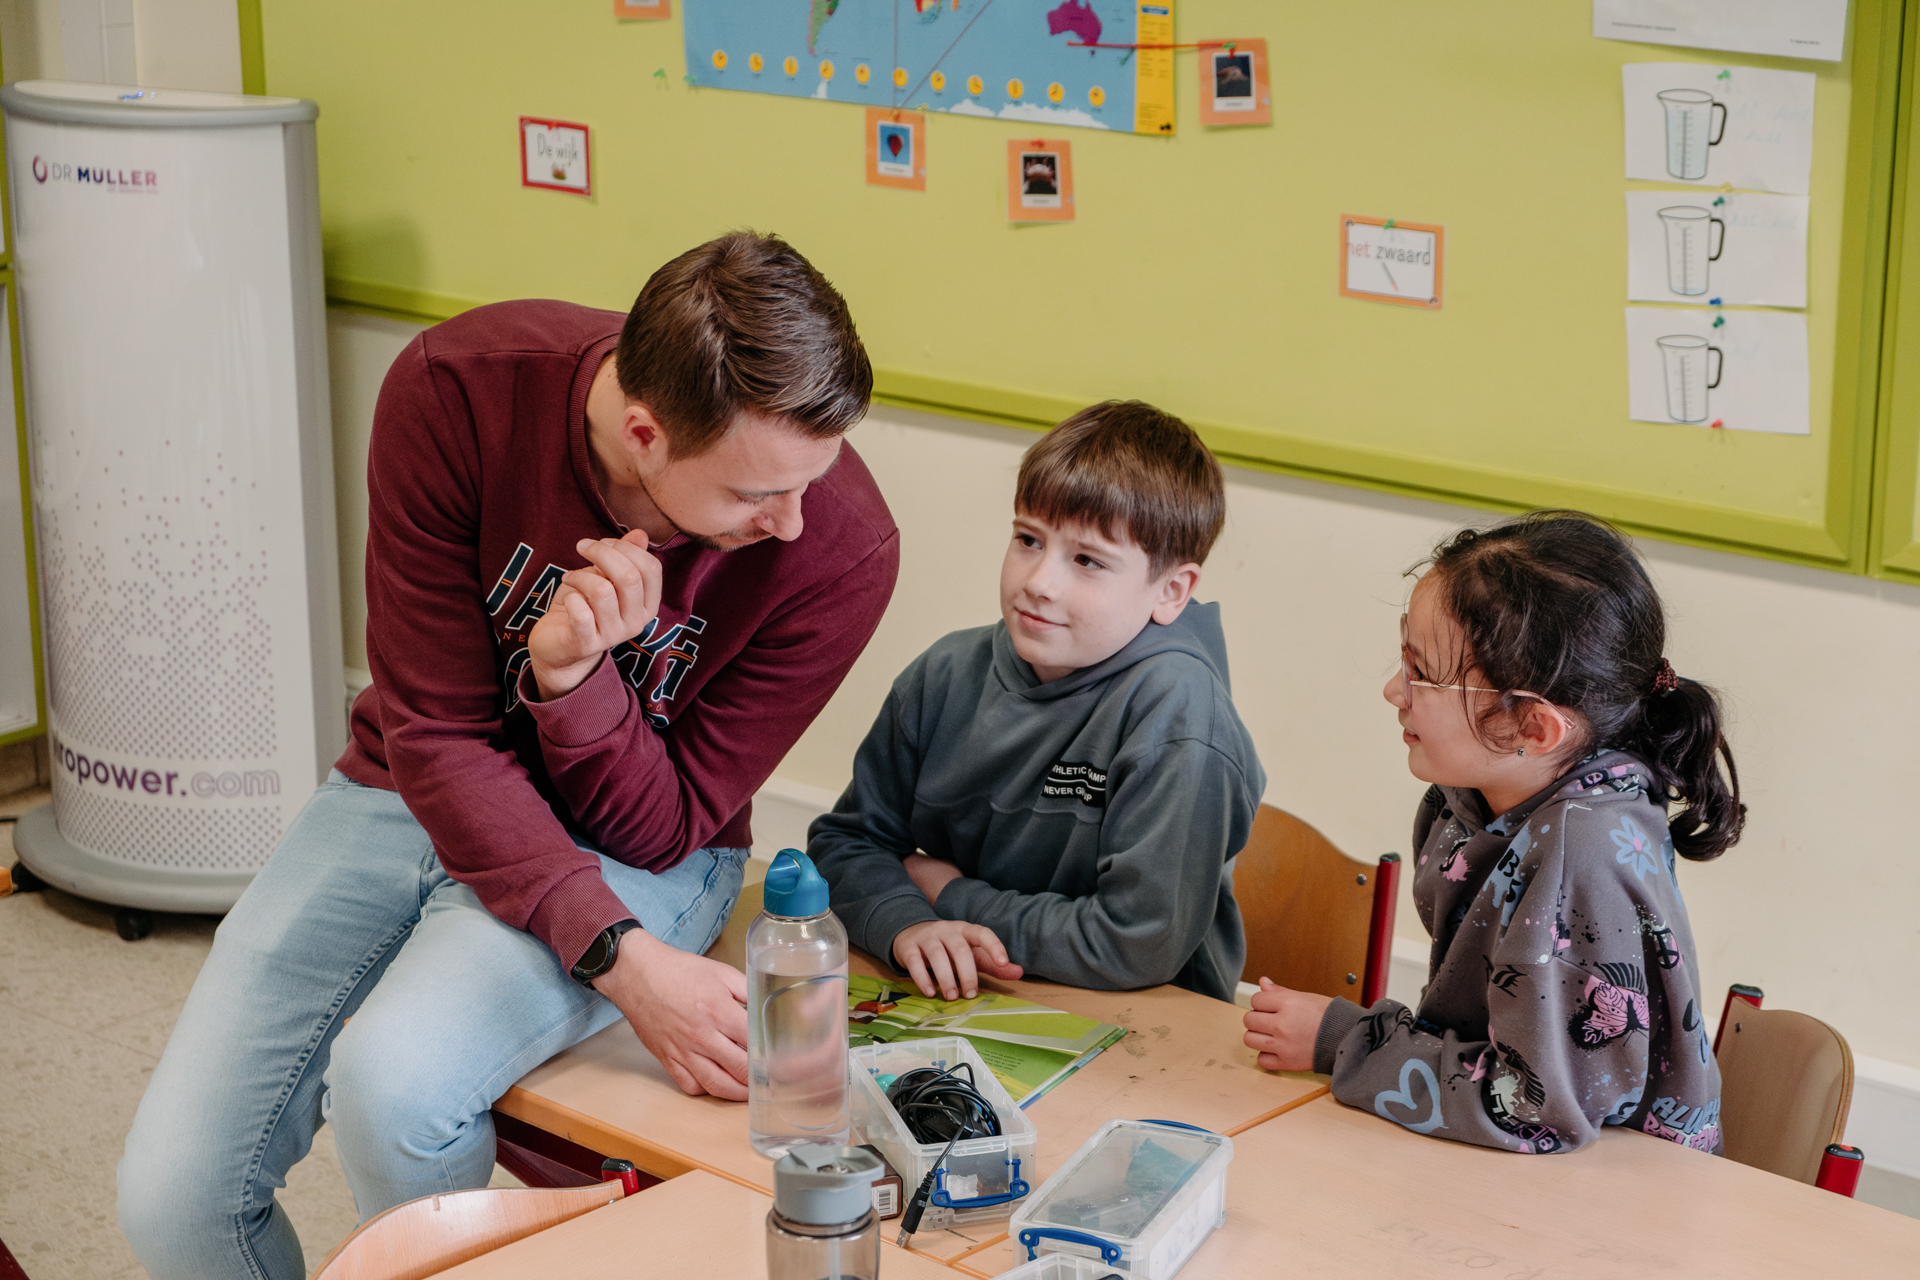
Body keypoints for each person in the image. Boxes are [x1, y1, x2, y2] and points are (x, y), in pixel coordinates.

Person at [118, 232, 900, 1280]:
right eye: (758, 493)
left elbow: (664, 824)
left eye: (818, 473)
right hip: (406, 789)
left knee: (395, 1086)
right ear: (644, 432)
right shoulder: (455, 390)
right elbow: (432, 730)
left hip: (642, 846)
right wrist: (622, 961)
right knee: (173, 1200)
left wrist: (575, 689)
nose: (794, 518)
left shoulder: (841, 547)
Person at [1243, 511, 1739, 1155]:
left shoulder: (1578, 852)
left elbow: (1535, 1112)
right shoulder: (1472, 798)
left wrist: (1345, 1042)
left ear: (1533, 729)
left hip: (1611, 1195)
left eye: (1422, 673)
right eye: (1404, 660)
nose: (1394, 690)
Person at [810, 401, 1265, 1004]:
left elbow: (1136, 942)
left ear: (1171, 591)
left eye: (1087, 561)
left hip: (1145, 1026)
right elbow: (846, 842)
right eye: (1028, 538)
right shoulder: (944, 673)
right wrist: (908, 922)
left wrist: (950, 895)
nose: (1040, 582)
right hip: (971, 1000)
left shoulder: (1179, 715)